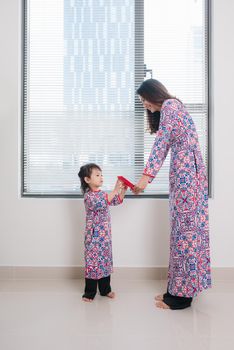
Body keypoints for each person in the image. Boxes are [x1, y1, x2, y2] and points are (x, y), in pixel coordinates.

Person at [133, 79, 211, 310]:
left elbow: (161, 145)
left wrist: (144, 180)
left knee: (185, 236)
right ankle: (176, 290)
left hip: (188, 178)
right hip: (185, 176)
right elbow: (166, 143)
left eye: (144, 99)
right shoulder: (173, 107)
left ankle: (181, 298)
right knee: (183, 234)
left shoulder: (170, 106)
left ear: (153, 93)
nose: (144, 104)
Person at [78, 163, 127, 302]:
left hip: (104, 237)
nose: (101, 177)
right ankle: (89, 292)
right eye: (97, 175)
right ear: (87, 180)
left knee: (105, 262)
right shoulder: (89, 196)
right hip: (93, 237)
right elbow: (101, 203)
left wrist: (122, 190)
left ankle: (105, 290)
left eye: (101, 175)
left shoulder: (103, 194)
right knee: (93, 263)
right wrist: (115, 189)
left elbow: (115, 201)